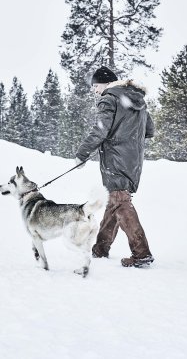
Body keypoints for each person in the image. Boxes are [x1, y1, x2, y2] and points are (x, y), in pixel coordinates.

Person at [75, 66, 155, 268]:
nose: (94, 90)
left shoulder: (109, 98)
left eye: (95, 86)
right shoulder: (138, 99)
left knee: (120, 201)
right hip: (133, 159)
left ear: (105, 83)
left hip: (116, 159)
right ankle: (101, 249)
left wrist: (82, 153)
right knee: (114, 201)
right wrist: (126, 136)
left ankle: (141, 253)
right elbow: (149, 130)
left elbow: (100, 130)